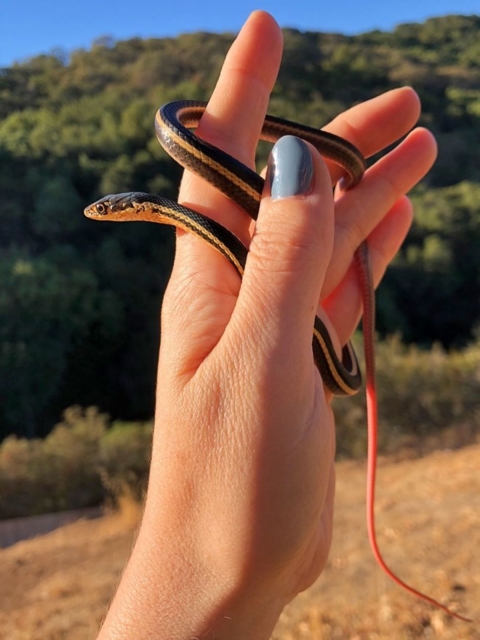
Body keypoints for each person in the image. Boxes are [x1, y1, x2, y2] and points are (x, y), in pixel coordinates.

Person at [96, 10, 437, 639]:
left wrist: (234, 580)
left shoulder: (175, 190)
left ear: (136, 209)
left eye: (110, 209)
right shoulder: (179, 184)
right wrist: (226, 575)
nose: (104, 213)